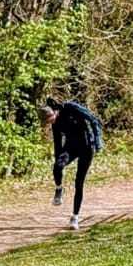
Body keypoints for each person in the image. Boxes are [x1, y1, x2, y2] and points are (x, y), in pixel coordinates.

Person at [41, 98, 104, 230]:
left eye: (50, 119)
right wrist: (58, 164)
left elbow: (93, 120)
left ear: (54, 111)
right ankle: (59, 189)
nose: (50, 122)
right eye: (47, 122)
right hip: (71, 147)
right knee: (57, 166)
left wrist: (98, 141)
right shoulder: (55, 124)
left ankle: (75, 217)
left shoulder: (70, 108)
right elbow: (57, 144)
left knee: (78, 182)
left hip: (87, 146)